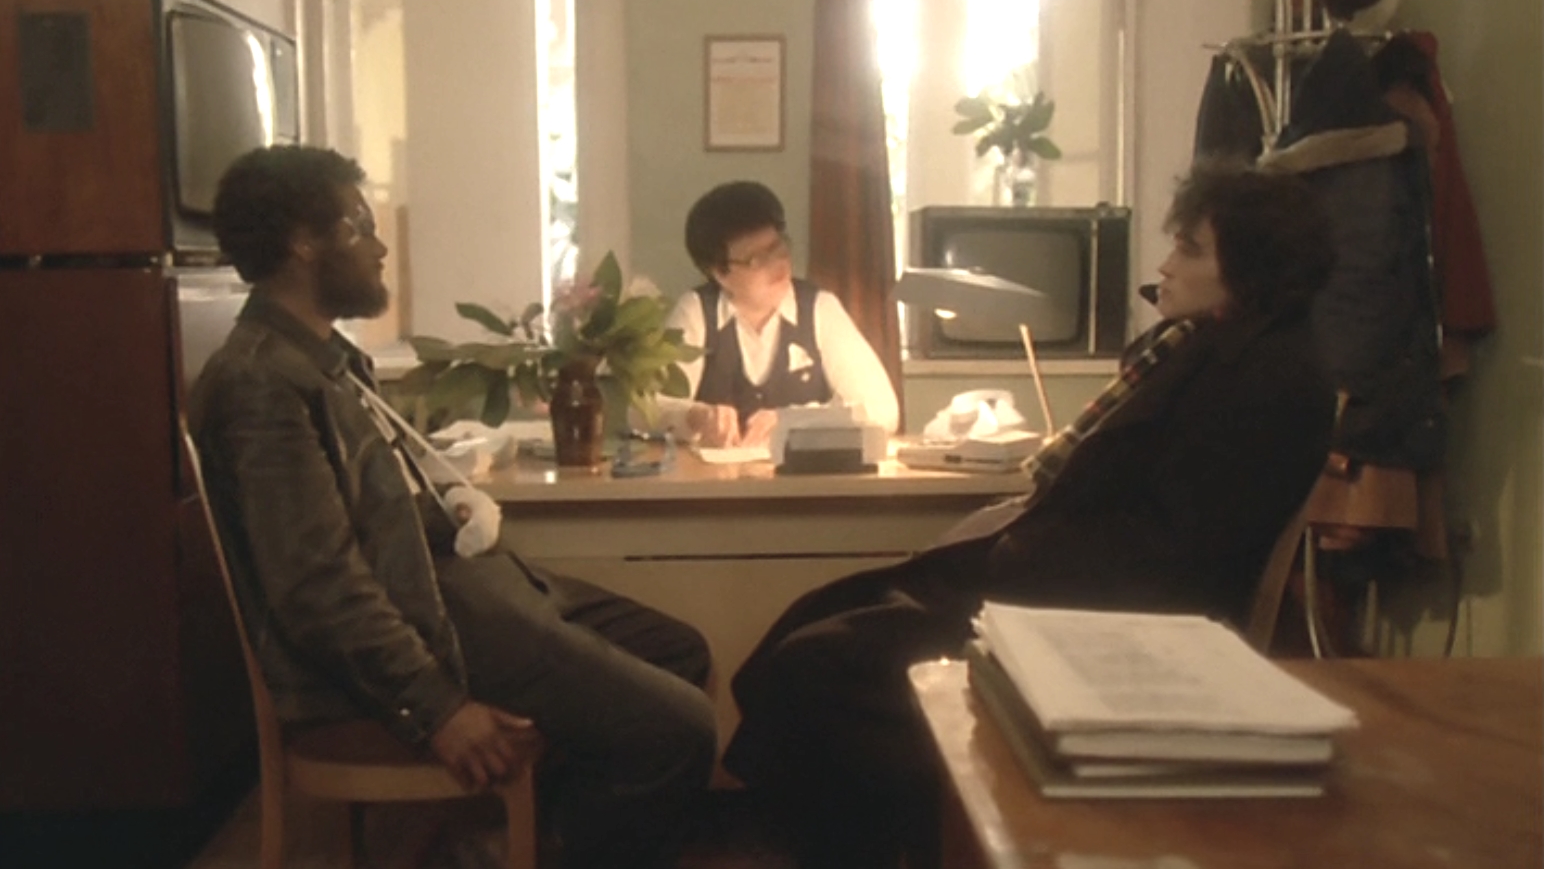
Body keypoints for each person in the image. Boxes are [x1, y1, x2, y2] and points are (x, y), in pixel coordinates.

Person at [722, 160, 1340, 869]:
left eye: (1190, 249)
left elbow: (1174, 556)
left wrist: (1008, 555)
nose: (1165, 265)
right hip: (1051, 587)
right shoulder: (1194, 346)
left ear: (1252, 272)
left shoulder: (1271, 382)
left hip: (1096, 626)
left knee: (817, 668)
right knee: (804, 628)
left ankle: (917, 839)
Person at [188, 145, 716, 869]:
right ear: (303, 243)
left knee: (681, 651)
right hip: (436, 624)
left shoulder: (324, 358)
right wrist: (436, 707)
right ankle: (534, 849)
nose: (379, 248)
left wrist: (450, 506)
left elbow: (371, 511)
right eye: (359, 227)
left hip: (465, 590)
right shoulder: (261, 383)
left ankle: (525, 839)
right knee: (680, 731)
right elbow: (317, 587)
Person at [658, 180, 899, 446]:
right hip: (716, 471)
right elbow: (644, 407)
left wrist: (796, 419)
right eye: (757, 260)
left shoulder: (819, 308)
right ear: (720, 273)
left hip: (803, 472)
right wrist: (695, 416)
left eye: (778, 248)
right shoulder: (697, 310)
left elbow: (882, 411)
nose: (777, 263)